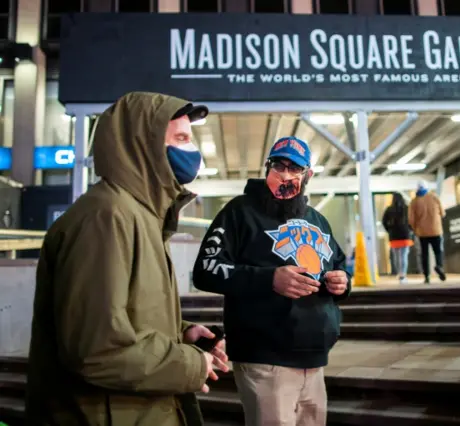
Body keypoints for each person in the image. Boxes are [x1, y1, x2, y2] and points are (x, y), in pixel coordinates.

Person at [26, 92, 229, 426]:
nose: (191, 151)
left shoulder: (143, 217)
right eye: (180, 139)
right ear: (144, 146)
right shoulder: (107, 218)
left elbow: (121, 315)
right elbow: (96, 350)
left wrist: (182, 333)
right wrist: (191, 365)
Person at [192, 136, 351, 426]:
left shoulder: (317, 219)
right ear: (268, 167)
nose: (286, 174)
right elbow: (206, 269)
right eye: (280, 165)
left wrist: (343, 282)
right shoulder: (239, 212)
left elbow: (338, 265)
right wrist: (268, 280)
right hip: (265, 359)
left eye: (295, 168)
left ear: (308, 176)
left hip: (315, 361)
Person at [409, 181, 446, 284]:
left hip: (422, 232)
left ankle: (427, 276)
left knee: (424, 254)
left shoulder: (414, 201)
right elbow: (443, 213)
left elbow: (411, 219)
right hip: (436, 230)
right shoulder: (434, 197)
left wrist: (415, 228)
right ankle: (439, 266)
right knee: (438, 251)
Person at [382, 192, 414, 284]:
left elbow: (384, 221)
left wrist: (389, 230)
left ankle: (399, 273)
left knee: (396, 256)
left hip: (394, 236)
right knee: (404, 256)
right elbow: (411, 220)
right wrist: (410, 230)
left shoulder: (389, 209)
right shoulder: (407, 208)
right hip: (405, 235)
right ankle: (402, 274)